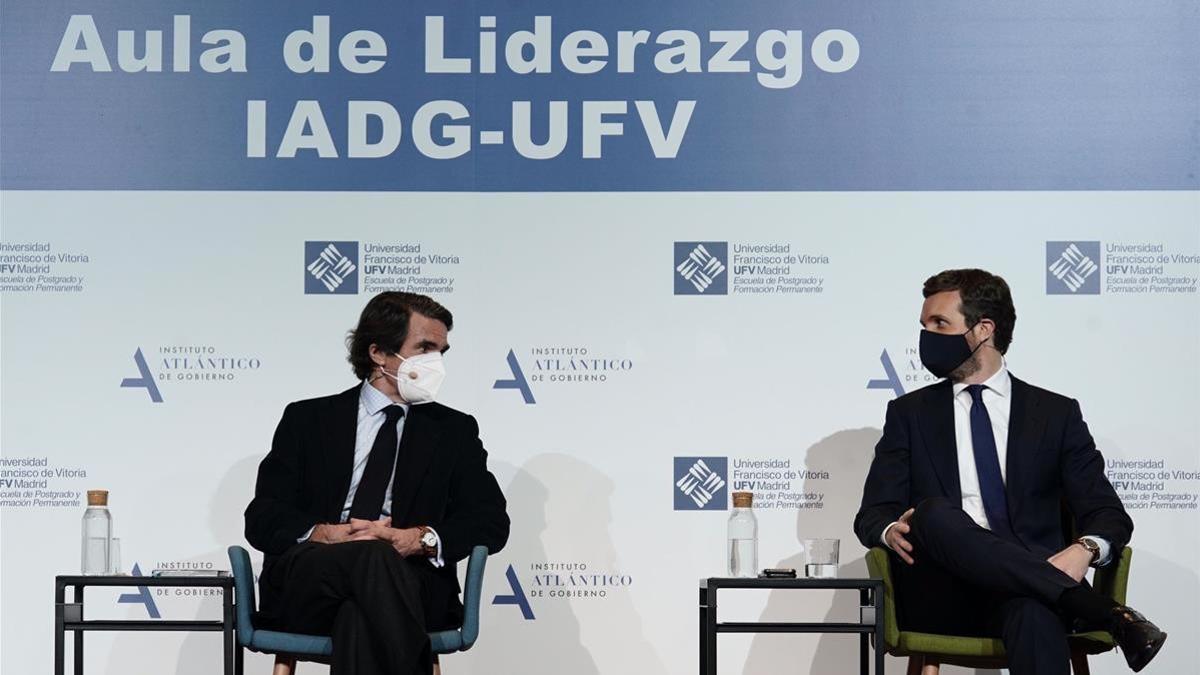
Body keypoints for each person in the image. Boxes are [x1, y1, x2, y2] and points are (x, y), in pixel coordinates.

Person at [854, 269, 1166, 674]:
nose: (926, 336)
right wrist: (888, 530)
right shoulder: (909, 414)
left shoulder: (1055, 415)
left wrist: (1083, 549)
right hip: (945, 593)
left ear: (983, 329)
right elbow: (872, 514)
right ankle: (1104, 612)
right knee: (931, 513)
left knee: (1035, 614)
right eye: (924, 325)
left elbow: (1107, 513)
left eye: (940, 324)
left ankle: (1063, 595)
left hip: (1031, 595)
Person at [245, 291, 510, 675]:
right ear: (378, 354)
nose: (435, 362)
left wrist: (416, 539)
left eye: (441, 352)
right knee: (372, 556)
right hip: (311, 580)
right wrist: (326, 534)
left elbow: (490, 521)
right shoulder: (308, 419)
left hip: (411, 581)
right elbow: (263, 517)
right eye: (424, 348)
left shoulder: (453, 431)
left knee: (359, 612)